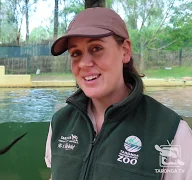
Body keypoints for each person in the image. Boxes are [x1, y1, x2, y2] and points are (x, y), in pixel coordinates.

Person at [44, 7, 192, 180]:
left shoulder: (172, 132)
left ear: (125, 51)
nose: (84, 63)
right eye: (76, 53)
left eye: (96, 48)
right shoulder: (60, 123)